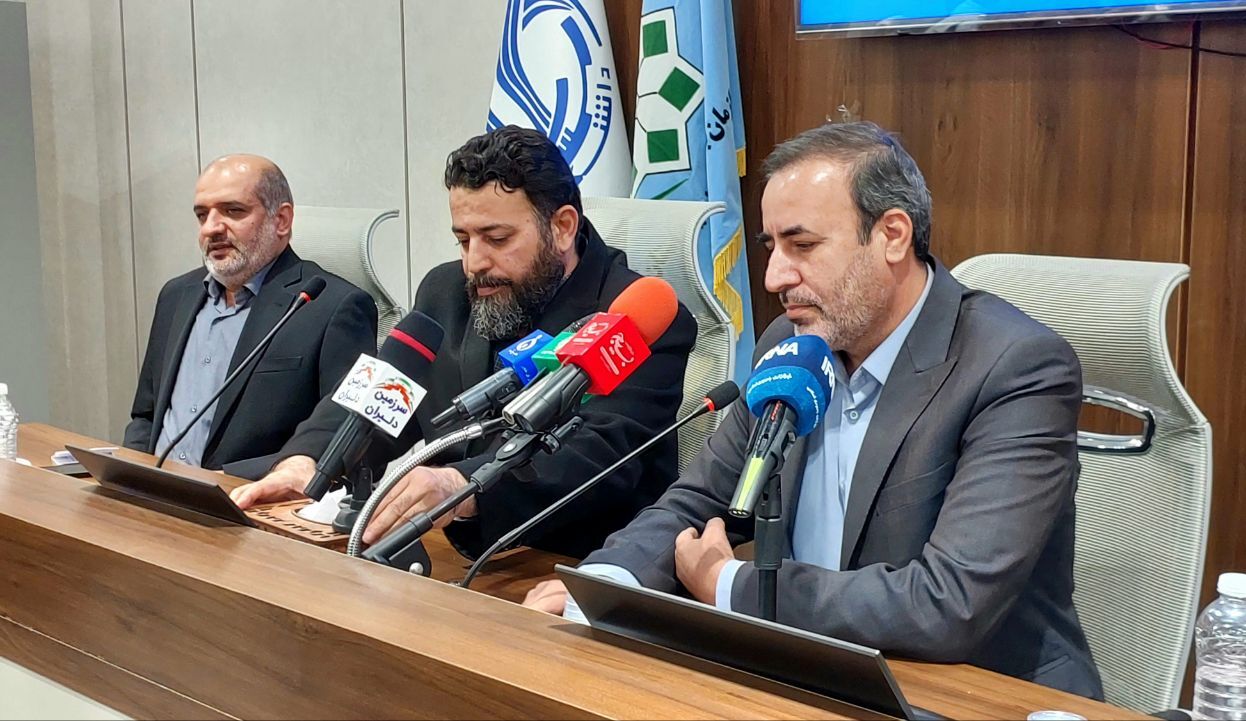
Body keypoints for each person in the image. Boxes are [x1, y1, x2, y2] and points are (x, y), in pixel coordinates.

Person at [522, 122, 1105, 699]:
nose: (775, 277)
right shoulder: (791, 343)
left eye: (802, 246)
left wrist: (730, 585)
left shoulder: (1014, 365)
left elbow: (948, 602)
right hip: (811, 678)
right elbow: (701, 499)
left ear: (892, 236)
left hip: (978, 697)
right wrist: (607, 583)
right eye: (770, 247)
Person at [231, 126, 698, 560]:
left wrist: (461, 486)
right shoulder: (447, 291)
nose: (474, 263)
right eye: (463, 239)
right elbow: (383, 391)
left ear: (562, 227)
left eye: (496, 238)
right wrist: (308, 461)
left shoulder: (636, 316)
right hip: (451, 553)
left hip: (575, 563)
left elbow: (597, 458)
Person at [124, 154, 377, 480]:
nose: (211, 228)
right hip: (150, 494)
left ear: (281, 220)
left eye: (233, 211)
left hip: (245, 498)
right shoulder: (176, 296)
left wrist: (227, 480)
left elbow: (350, 433)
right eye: (202, 215)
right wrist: (130, 472)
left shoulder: (332, 306)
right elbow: (146, 416)